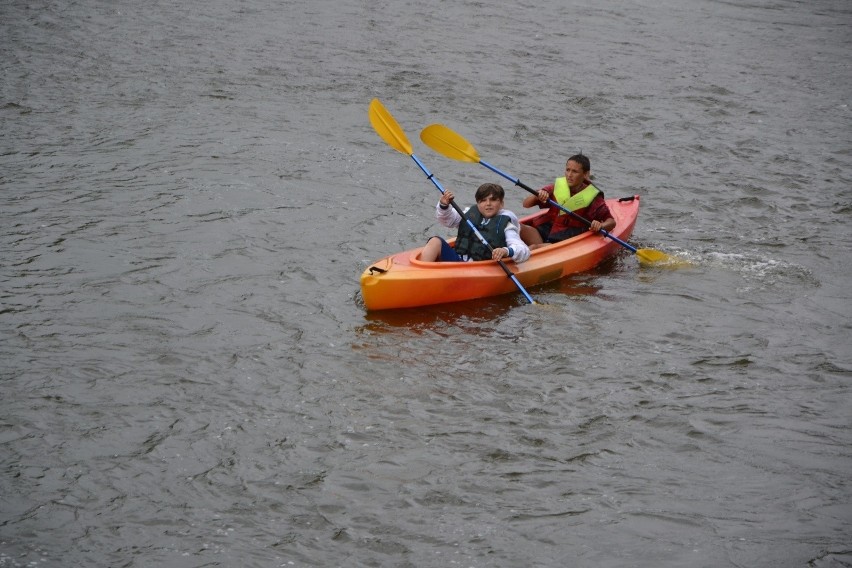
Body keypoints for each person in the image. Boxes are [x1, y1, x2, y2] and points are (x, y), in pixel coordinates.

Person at [520, 153, 615, 249]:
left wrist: (601, 226)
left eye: (575, 171)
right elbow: (526, 204)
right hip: (543, 232)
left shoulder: (593, 198)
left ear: (586, 174)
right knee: (515, 226)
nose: (569, 175)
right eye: (568, 170)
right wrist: (538, 195)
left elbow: (611, 222)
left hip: (562, 241)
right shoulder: (557, 187)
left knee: (533, 248)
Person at [420, 182, 531, 264]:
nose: (488, 204)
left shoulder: (506, 224)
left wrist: (505, 251)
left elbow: (523, 250)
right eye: (483, 200)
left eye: (493, 200)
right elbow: (448, 220)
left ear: (501, 203)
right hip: (457, 261)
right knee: (435, 241)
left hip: (481, 268)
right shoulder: (469, 213)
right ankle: (421, 274)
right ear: (477, 203)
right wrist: (444, 205)